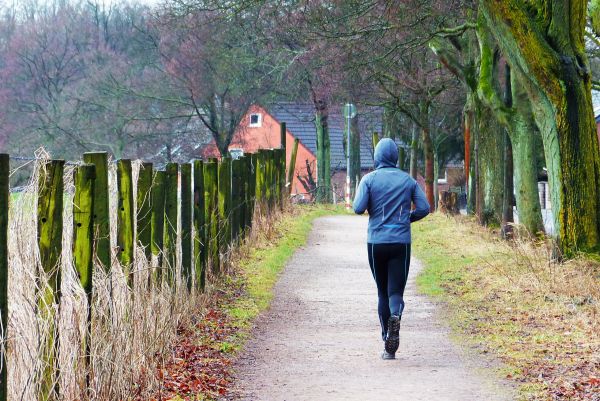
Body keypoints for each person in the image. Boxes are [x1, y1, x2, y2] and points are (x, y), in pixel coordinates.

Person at [353, 138, 430, 360]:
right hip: (401, 243)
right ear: (396, 157)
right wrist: (407, 219)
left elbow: (358, 208)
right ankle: (396, 316)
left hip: (376, 242)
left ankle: (387, 338)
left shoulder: (369, 179)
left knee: (382, 292)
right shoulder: (408, 181)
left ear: (377, 157)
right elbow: (424, 208)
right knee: (395, 292)